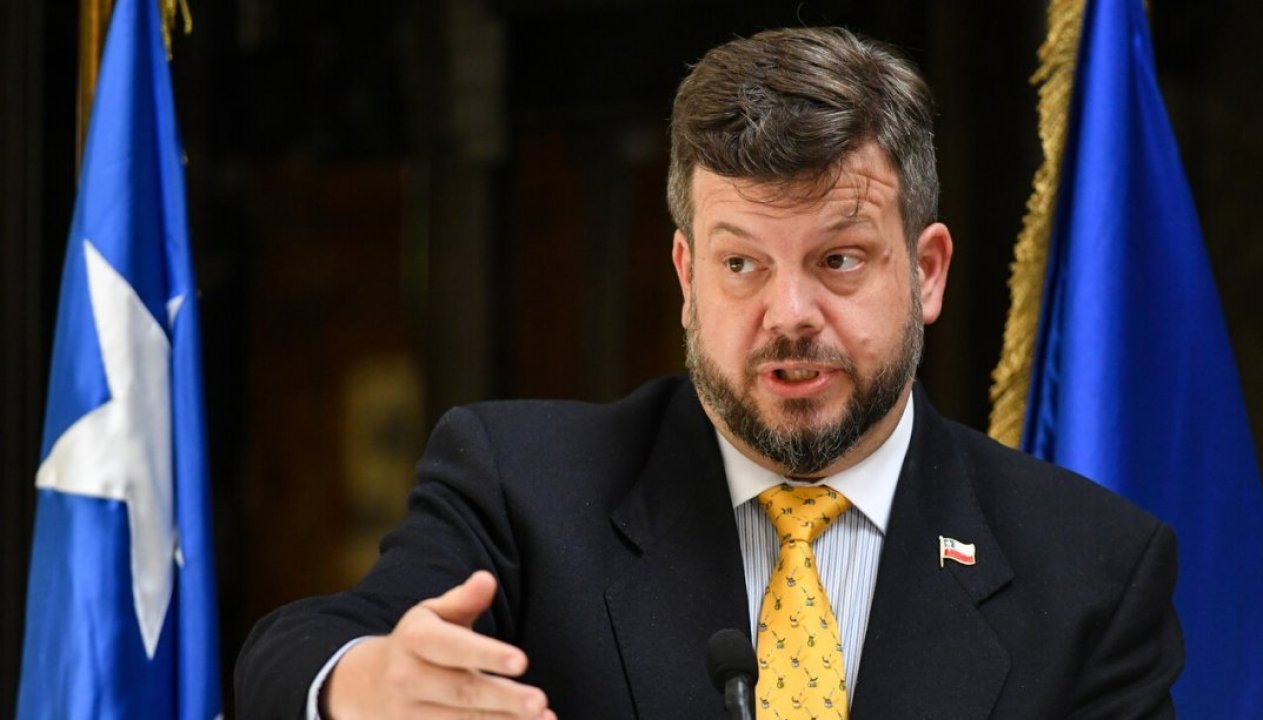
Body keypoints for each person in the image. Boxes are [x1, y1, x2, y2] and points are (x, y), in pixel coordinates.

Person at [235, 26, 1183, 719]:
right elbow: (294, 656)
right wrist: (364, 682)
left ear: (927, 272)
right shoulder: (523, 490)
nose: (790, 314)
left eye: (839, 259)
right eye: (742, 264)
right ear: (688, 278)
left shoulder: (1090, 571)